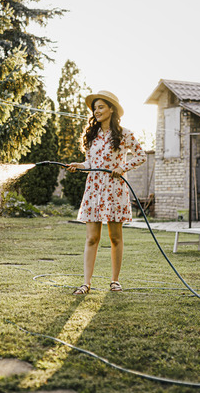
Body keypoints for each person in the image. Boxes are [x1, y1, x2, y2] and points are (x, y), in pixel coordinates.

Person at [67, 90, 146, 294]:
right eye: (95, 108)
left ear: (112, 109)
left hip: (115, 189)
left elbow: (141, 156)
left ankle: (115, 280)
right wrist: (80, 165)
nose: (96, 111)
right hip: (94, 188)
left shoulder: (124, 133)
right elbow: (91, 163)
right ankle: (86, 283)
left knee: (115, 238)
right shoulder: (91, 136)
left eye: (101, 107)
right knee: (92, 238)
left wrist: (122, 167)